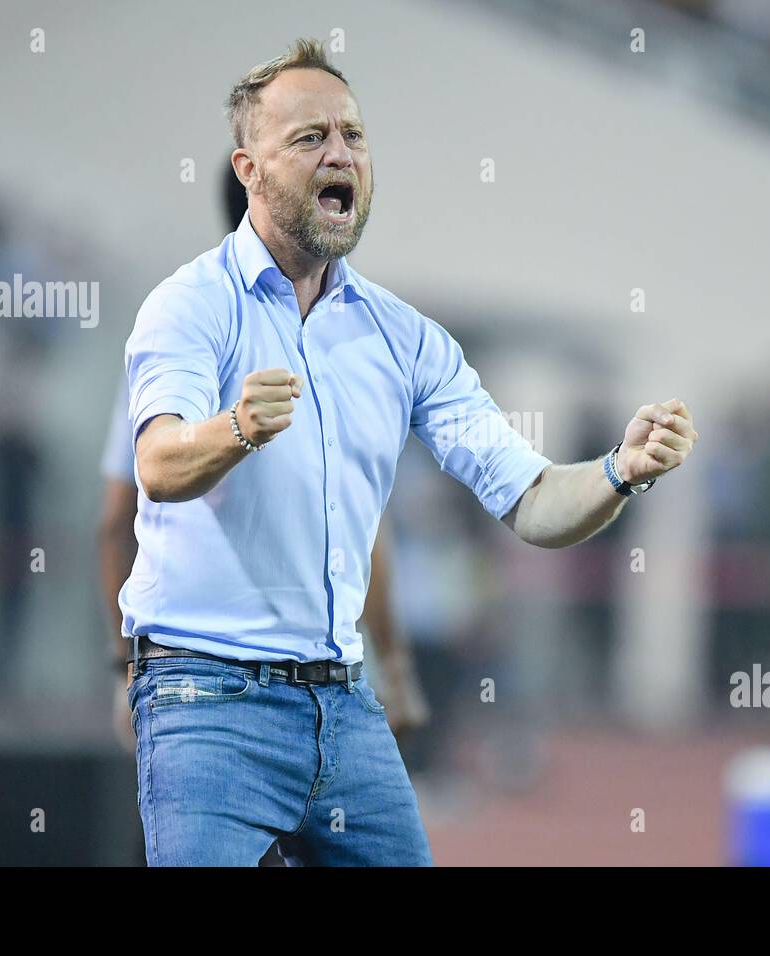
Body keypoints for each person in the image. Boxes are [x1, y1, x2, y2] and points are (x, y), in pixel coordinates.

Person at [120, 38, 697, 866]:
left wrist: (617, 472)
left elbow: (531, 500)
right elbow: (158, 465)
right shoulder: (189, 307)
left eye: (352, 135)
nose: (340, 153)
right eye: (309, 137)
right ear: (248, 169)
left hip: (344, 704)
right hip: (206, 698)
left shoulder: (404, 337)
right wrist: (236, 427)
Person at [98, 162, 428, 754]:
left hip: (197, 678)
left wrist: (123, 667)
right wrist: (394, 664)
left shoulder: (179, 328)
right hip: (298, 682)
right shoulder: (333, 346)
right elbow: (366, 528)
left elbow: (114, 520)